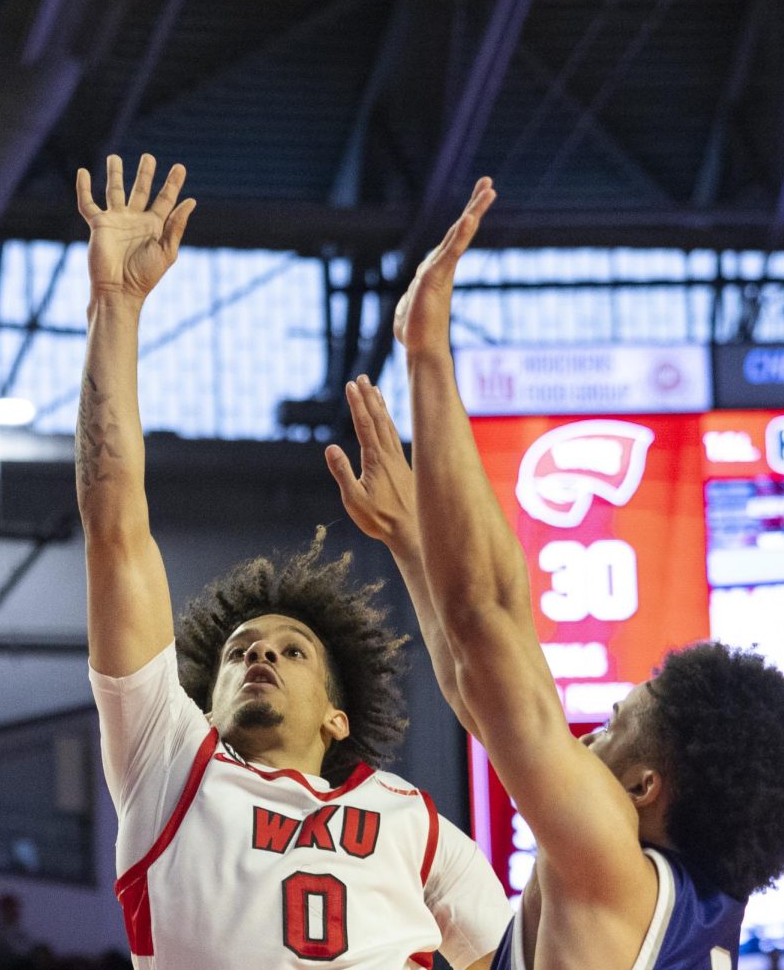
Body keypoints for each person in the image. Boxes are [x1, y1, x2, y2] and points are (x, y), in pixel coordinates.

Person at [324, 177, 784, 970]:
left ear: (644, 787)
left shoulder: (612, 870)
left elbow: (489, 617)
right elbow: (483, 692)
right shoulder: (688, 903)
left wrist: (428, 356)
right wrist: (412, 545)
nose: (590, 731)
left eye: (619, 723)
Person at [74, 153, 511, 970]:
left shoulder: (412, 820)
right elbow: (114, 525)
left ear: (338, 719)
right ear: (205, 703)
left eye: (289, 649)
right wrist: (115, 306)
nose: (260, 654)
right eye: (241, 651)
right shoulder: (170, 759)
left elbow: (520, 958)